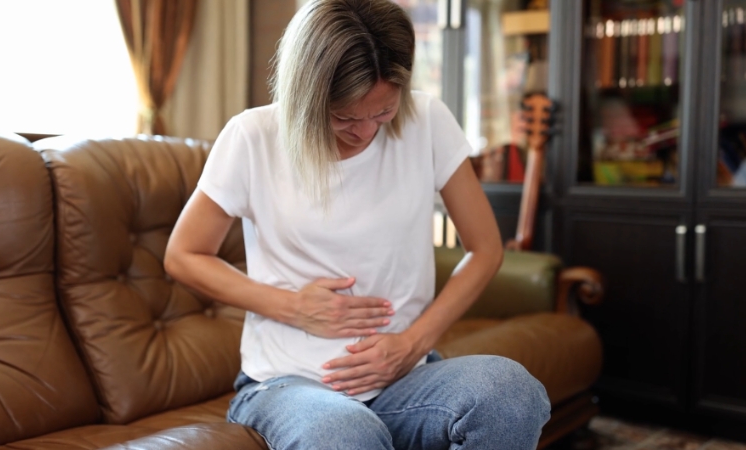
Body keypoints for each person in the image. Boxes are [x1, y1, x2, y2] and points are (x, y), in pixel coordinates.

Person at [164, 0, 551, 448]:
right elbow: (183, 255)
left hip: (405, 378)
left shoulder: (427, 121)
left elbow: (485, 249)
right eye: (345, 117)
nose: (366, 132)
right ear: (307, 95)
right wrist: (292, 307)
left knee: (510, 392)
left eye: (383, 113)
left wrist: (412, 343)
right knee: (346, 432)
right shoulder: (254, 137)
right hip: (290, 383)